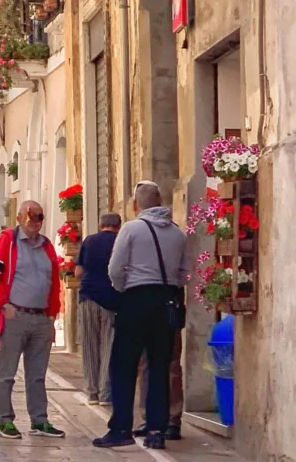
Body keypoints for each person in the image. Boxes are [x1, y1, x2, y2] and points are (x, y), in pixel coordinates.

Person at [93, 181, 192, 451]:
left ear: (136, 204)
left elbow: (115, 268)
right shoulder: (177, 234)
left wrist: (125, 289)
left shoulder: (132, 229)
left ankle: (121, 428)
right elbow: (186, 272)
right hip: (166, 300)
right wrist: (169, 282)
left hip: (136, 300)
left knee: (123, 366)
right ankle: (157, 430)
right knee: (159, 365)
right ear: (160, 202)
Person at [0, 200, 63, 440]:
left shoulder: (47, 245)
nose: (35, 222)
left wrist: (52, 315)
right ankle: (5, 420)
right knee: (7, 372)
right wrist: (5, 306)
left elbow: (54, 282)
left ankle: (39, 420)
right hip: (15, 316)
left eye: (39, 217)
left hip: (41, 318)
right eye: (31, 216)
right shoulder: (8, 241)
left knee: (37, 374)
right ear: (19, 217)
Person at [75, 212, 122, 405]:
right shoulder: (120, 241)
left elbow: (78, 271)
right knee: (108, 346)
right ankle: (105, 393)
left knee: (89, 345)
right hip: (110, 299)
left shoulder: (89, 241)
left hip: (87, 297)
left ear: (101, 224)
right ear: (118, 226)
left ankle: (92, 392)